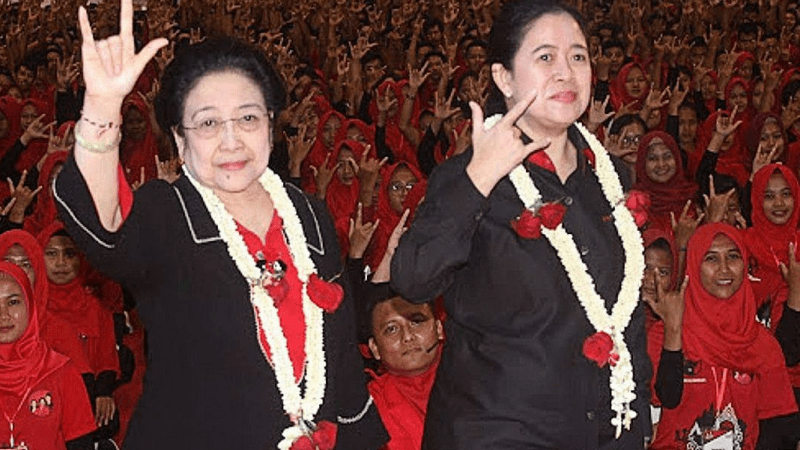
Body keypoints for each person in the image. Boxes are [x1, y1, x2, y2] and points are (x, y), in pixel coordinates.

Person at [52, 1, 386, 449]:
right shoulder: (168, 213)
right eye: (208, 123)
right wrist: (102, 105)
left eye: (248, 117)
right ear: (179, 138)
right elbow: (104, 226)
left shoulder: (307, 213)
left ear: (271, 125)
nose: (231, 141)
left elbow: (339, 349)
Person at [391, 1, 651, 448]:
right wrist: (479, 179)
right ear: (504, 78)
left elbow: (625, 312)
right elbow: (414, 279)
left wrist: (636, 413)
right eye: (545, 57)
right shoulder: (467, 177)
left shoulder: (610, 179)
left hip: (598, 429)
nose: (566, 72)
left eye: (578, 56)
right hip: (495, 428)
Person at [645, 223, 798, 449]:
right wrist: (674, 332)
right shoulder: (665, 332)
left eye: (733, 256)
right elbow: (667, 397)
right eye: (711, 258)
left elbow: (780, 427)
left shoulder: (762, 343)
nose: (724, 269)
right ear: (694, 265)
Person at [0, 261, 96, 450]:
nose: (3, 315)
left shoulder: (62, 372)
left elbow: (82, 444)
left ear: (30, 305)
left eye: (13, 302)